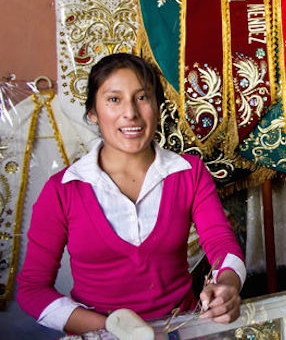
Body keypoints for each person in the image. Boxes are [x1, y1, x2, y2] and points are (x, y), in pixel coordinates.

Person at [17, 53, 246, 334]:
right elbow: (32, 290)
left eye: (142, 97)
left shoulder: (188, 173)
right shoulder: (63, 190)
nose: (130, 113)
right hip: (99, 334)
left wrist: (228, 286)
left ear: (158, 108)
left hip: (180, 329)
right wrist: (118, 330)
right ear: (92, 112)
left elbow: (221, 242)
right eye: (114, 99)